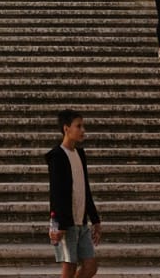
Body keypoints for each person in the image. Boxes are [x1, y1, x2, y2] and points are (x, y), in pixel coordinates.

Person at [46, 109, 102, 278]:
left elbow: (85, 188)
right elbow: (56, 193)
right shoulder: (57, 156)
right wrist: (58, 224)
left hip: (81, 222)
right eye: (78, 126)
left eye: (82, 126)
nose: (83, 130)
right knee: (69, 268)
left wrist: (95, 219)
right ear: (66, 129)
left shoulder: (80, 154)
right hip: (66, 222)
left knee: (91, 266)